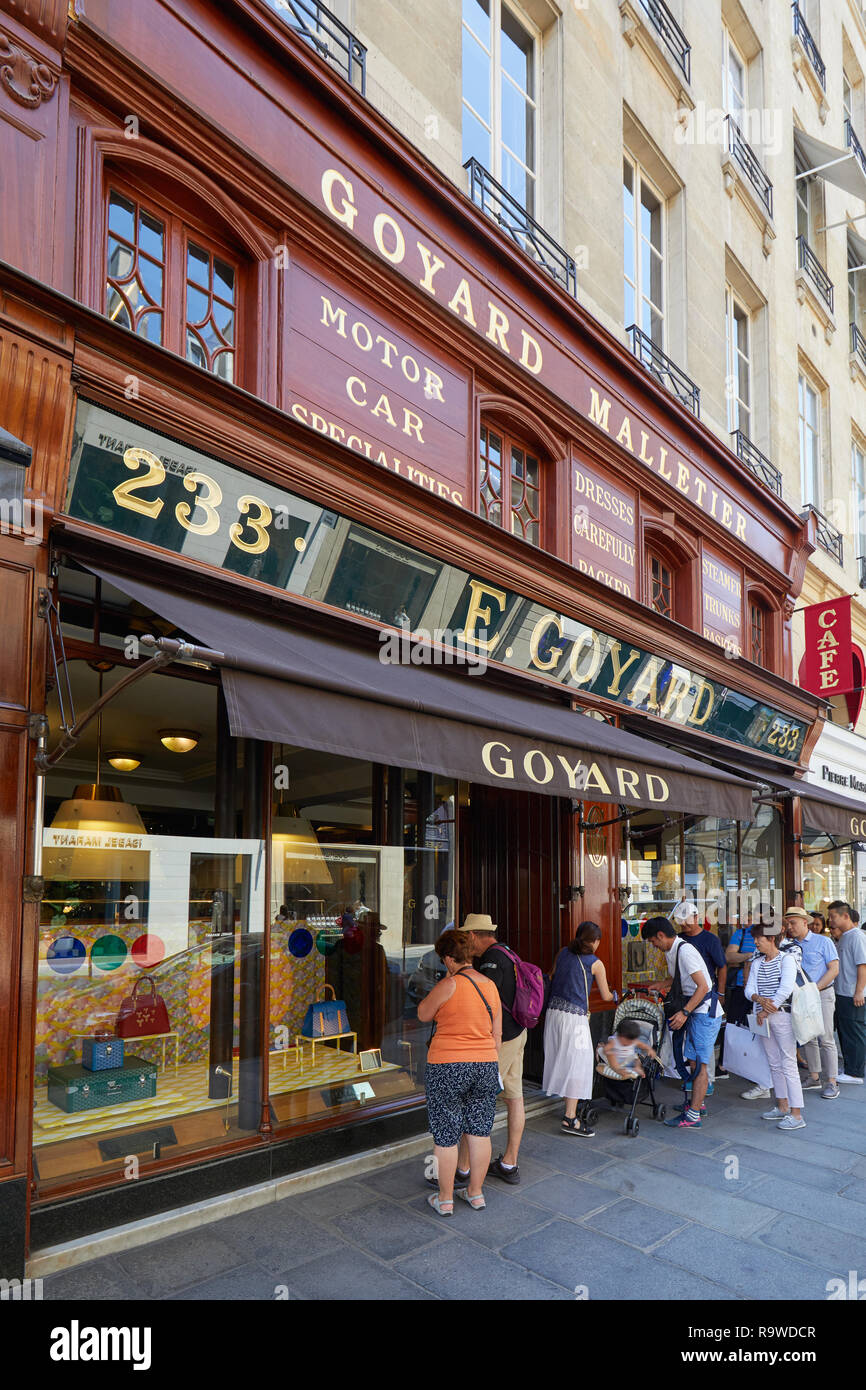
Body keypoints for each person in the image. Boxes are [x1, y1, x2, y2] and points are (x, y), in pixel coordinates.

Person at [418, 928, 501, 1215]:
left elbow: (423, 1013)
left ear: (450, 958)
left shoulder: (449, 984)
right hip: (486, 1063)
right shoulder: (490, 986)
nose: (444, 965)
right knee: (479, 1131)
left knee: (445, 1134)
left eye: (444, 959)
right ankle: (476, 1193)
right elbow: (497, 1034)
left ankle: (445, 1199)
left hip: (447, 1066)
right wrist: (489, 1062)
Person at [459, 912, 528, 1184]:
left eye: (467, 938)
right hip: (518, 1033)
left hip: (501, 1040)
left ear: (475, 935)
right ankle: (509, 1163)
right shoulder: (509, 952)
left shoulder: (490, 961)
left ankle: (463, 1168)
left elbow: (487, 1004)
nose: (467, 944)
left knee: (477, 1099)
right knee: (514, 1097)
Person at [641, 916, 723, 1129]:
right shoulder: (672, 950)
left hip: (703, 1012)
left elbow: (703, 986)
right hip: (696, 1011)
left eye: (652, 942)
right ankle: (698, 1104)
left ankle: (693, 1114)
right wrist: (661, 984)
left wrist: (685, 1012)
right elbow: (679, 978)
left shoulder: (684, 952)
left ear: (660, 935)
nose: (654, 946)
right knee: (694, 1062)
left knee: (700, 1064)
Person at [543, 920, 614, 1137]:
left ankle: (569, 1109)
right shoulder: (595, 963)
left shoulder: (563, 952)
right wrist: (617, 996)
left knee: (563, 1059)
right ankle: (570, 1118)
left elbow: (552, 976)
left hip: (553, 1014)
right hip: (574, 1019)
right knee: (578, 1065)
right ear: (596, 941)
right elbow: (606, 996)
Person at [744, 922, 805, 1130]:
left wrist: (764, 1009)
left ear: (771, 939)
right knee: (774, 1063)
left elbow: (785, 989)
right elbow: (748, 989)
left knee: (788, 1063)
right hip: (763, 1017)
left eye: (758, 939)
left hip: (781, 1016)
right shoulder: (758, 962)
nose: (755, 942)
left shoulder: (786, 959)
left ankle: (797, 1114)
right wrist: (759, 1000)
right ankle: (782, 1106)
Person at [783, 905, 839, 1099]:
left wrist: (815, 989)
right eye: (787, 923)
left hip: (821, 994)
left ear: (804, 923)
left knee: (826, 1039)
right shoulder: (787, 945)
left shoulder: (823, 942)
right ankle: (814, 1076)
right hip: (800, 996)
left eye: (793, 923)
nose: (789, 926)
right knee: (808, 1037)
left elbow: (834, 969)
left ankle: (831, 1081)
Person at [673, 900, 727, 1085]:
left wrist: (720, 993)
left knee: (703, 1044)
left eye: (688, 921)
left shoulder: (710, 939)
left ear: (697, 918)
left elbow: (722, 966)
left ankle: (707, 1081)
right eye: (682, 923)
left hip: (706, 995)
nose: (685, 926)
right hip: (687, 995)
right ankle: (696, 1083)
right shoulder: (679, 940)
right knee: (691, 1044)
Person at [827, 901, 866, 1084]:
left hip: (852, 994)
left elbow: (862, 966)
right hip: (842, 992)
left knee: (854, 1032)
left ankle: (855, 1073)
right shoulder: (844, 937)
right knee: (846, 1031)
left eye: (833, 916)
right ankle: (850, 1067)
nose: (831, 921)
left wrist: (859, 992)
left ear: (845, 916)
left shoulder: (857, 936)